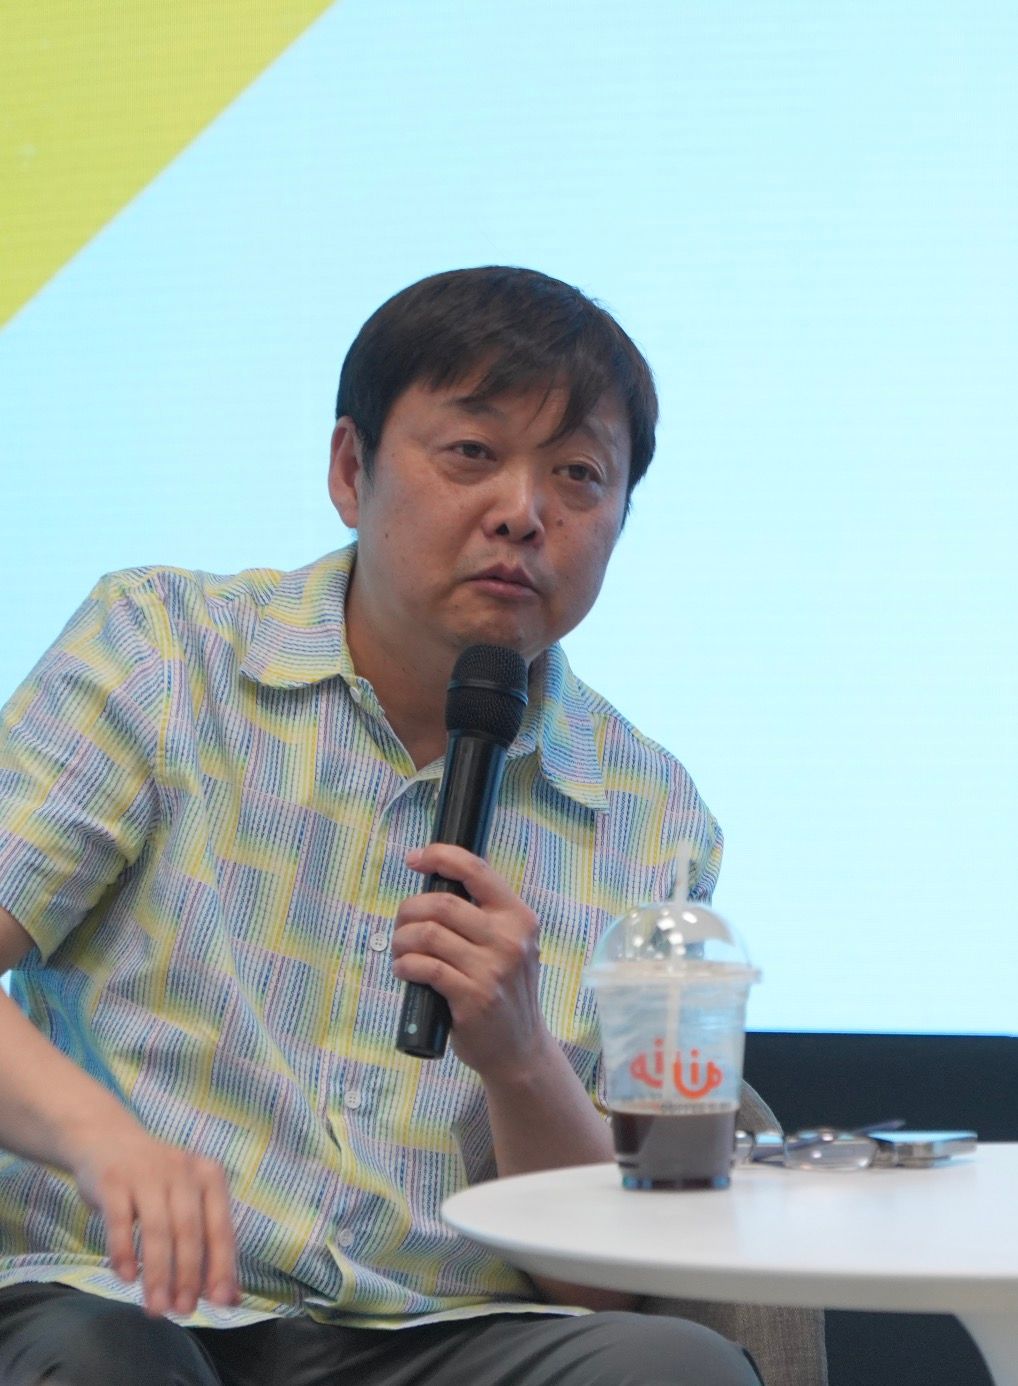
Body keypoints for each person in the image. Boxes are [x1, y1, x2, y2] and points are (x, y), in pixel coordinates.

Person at [0, 267, 761, 1384]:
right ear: (351, 471)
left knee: (674, 1367)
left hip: (436, 1334)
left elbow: (603, 1284)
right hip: (124, 1299)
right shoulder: (162, 651)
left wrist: (519, 1057)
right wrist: (103, 1141)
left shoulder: (652, 816)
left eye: (578, 476)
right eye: (472, 452)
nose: (523, 512)